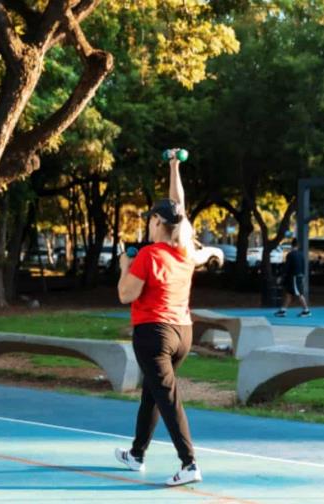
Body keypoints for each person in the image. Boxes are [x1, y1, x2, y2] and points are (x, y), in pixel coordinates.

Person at [114, 151, 202, 487]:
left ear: (155, 222)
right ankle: (137, 454)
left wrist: (124, 264)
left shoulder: (149, 255)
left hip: (154, 335)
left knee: (168, 398)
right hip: (183, 334)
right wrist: (174, 167)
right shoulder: (186, 251)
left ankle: (190, 462)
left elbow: (126, 294)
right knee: (152, 393)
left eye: (151, 220)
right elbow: (179, 209)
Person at [275, 238, 311, 318]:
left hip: (294, 277)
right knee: (289, 293)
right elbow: (303, 266)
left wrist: (281, 276)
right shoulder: (301, 254)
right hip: (299, 276)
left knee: (299, 294)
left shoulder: (290, 254)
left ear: (292, 245)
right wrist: (303, 276)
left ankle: (306, 310)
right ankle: (283, 310)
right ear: (298, 245)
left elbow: (286, 267)